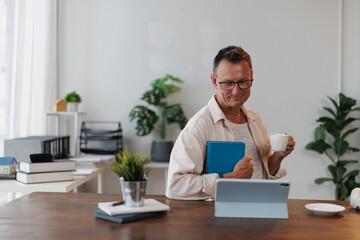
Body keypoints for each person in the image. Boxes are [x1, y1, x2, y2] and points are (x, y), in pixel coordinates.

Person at [165, 45, 295, 200]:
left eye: (243, 81)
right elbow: (175, 185)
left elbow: (264, 174)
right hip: (220, 218)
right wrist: (227, 179)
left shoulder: (255, 119)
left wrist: (278, 156)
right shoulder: (199, 125)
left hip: (261, 209)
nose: (236, 91)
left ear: (251, 76)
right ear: (214, 81)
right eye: (227, 83)